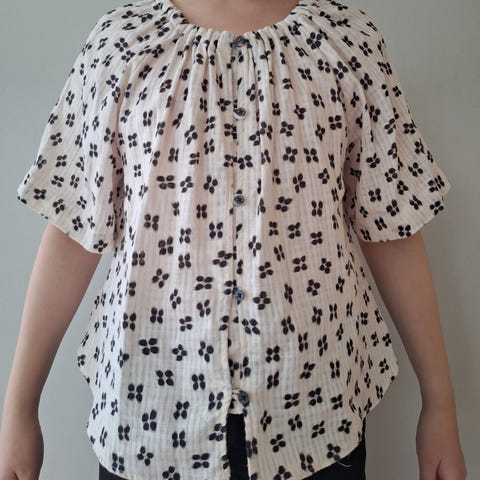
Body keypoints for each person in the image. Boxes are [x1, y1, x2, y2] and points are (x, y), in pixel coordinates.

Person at [0, 0, 467, 479]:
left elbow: (392, 223)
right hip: (149, 417)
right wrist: (18, 409)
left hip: (315, 414)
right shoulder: (121, 42)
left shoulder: (346, 41)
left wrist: (440, 405)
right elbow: (74, 227)